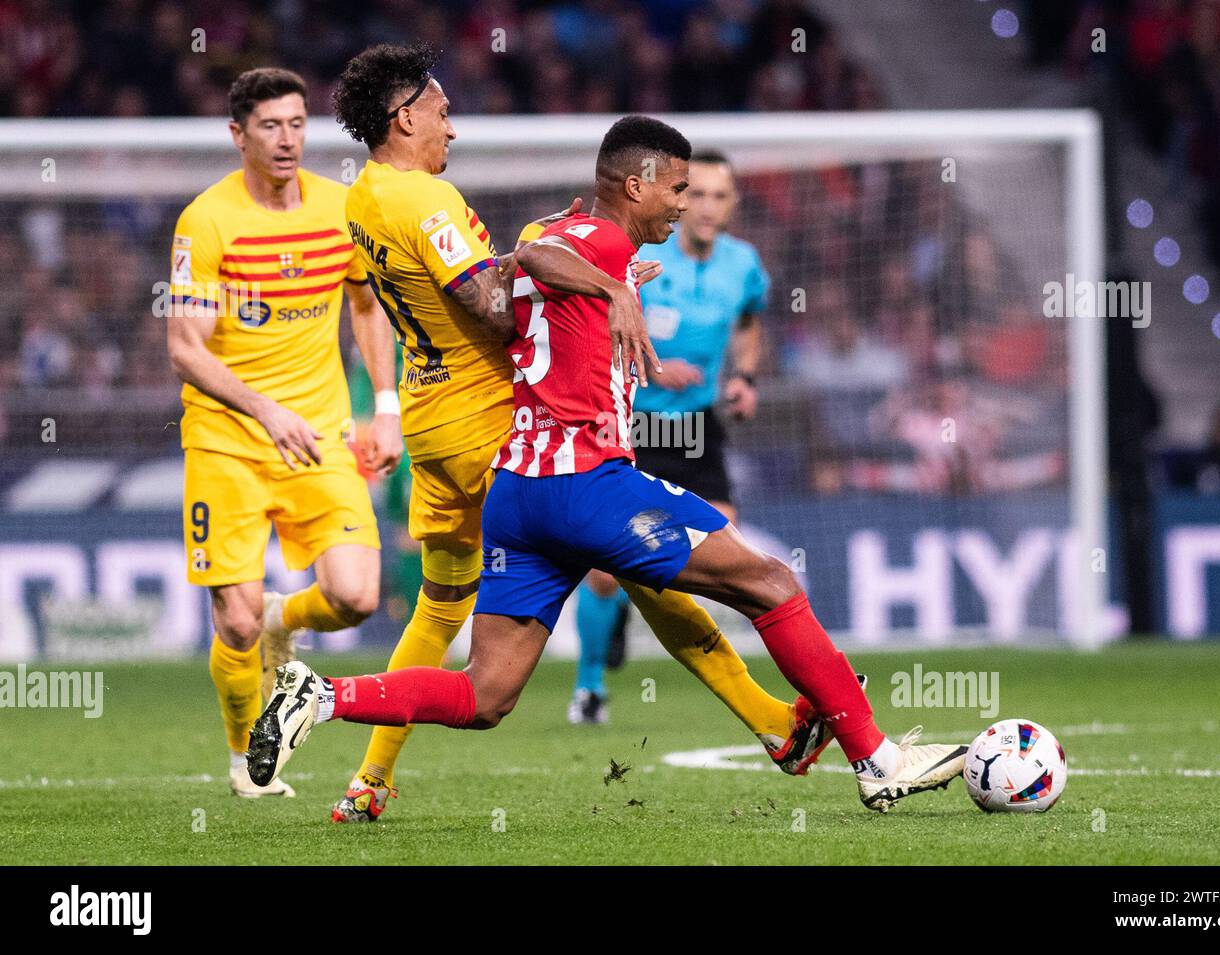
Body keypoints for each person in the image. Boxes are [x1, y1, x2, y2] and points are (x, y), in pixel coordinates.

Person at [248, 114, 968, 813]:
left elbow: (530, 252)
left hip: (518, 496)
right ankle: (877, 760)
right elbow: (534, 258)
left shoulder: (554, 229)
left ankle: (323, 695)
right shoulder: (594, 245)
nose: (683, 206)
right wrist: (614, 284)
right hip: (584, 484)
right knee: (773, 584)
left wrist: (600, 281)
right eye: (677, 190)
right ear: (635, 186)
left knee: (486, 694)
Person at [324, 45, 833, 824]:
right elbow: (493, 305)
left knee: (440, 603)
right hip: (495, 418)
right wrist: (593, 287)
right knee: (648, 564)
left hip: (432, 425)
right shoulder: (425, 200)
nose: (451, 127)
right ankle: (772, 721)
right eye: (443, 110)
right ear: (405, 116)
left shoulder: (358, 198)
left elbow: (446, 286)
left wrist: (584, 271)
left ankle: (370, 779)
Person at [165, 67, 403, 798]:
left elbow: (366, 306)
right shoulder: (206, 221)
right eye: (270, 125)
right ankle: (246, 760)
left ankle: (282, 619)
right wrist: (265, 410)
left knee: (358, 595)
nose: (287, 139)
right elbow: (185, 345)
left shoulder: (341, 209)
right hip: (226, 442)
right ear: (238, 134)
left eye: (298, 123)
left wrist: (385, 405)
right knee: (230, 621)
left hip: (322, 434)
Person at [567, 149, 769, 724]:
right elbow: (598, 327)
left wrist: (746, 378)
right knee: (605, 570)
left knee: (726, 548)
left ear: (732, 204)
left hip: (698, 427)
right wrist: (653, 368)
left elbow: (751, 319)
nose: (705, 207)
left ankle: (740, 683)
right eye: (695, 193)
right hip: (636, 423)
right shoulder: (645, 260)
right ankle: (590, 689)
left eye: (718, 196)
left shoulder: (743, 265)